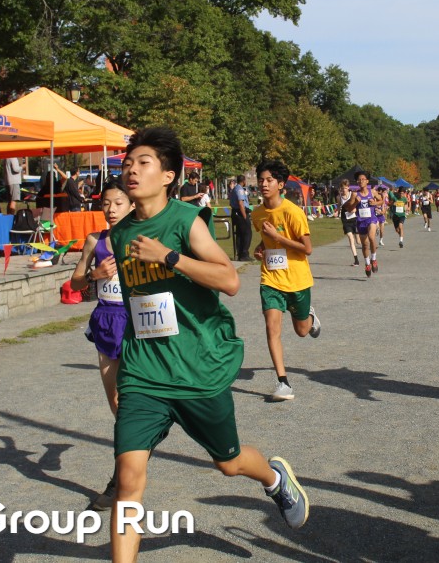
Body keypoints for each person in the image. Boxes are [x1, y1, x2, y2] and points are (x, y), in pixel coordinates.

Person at [109, 127, 309, 560]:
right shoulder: (120, 233)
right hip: (144, 373)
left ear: (168, 176)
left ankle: (274, 479)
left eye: (143, 163)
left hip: (198, 368)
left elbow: (230, 280)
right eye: (127, 163)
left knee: (229, 463)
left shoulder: (186, 221)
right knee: (127, 481)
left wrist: (168, 257)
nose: (131, 170)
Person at [68, 177, 135, 511]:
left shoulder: (144, 240)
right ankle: (130, 462)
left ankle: (120, 479)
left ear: (132, 204)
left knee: (133, 405)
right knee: (117, 404)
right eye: (106, 203)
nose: (111, 209)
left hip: (138, 323)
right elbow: (74, 283)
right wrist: (95, 276)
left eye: (118, 203)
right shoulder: (95, 241)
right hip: (107, 321)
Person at [251, 159, 322, 402]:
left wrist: (278, 237)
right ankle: (283, 382)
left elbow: (307, 248)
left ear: (281, 184)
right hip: (271, 278)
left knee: (302, 331)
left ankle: (309, 315)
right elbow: (266, 240)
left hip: (297, 279)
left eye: (269, 180)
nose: (264, 184)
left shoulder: (293, 212)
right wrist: (261, 247)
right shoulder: (257, 213)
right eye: (261, 180)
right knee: (272, 328)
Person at [348, 171, 382, 276]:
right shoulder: (354, 194)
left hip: (371, 219)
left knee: (371, 237)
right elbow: (349, 209)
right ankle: (367, 263)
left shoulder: (373, 192)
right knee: (365, 244)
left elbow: (381, 200)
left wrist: (375, 203)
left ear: (367, 181)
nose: (361, 181)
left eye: (363, 179)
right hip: (361, 221)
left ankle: (374, 259)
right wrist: (356, 202)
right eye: (359, 179)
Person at [337, 179, 361, 265]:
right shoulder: (339, 197)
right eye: (342, 188)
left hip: (354, 218)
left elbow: (358, 204)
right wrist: (337, 212)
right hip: (345, 219)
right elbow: (339, 206)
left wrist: (355, 209)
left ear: (348, 188)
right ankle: (356, 260)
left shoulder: (352, 195)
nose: (344, 190)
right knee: (351, 238)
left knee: (358, 241)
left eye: (345, 188)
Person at [230, 174, 252, 261]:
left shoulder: (235, 188)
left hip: (236, 212)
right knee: (247, 233)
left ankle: (240, 254)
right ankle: (244, 254)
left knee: (240, 234)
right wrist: (245, 216)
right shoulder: (240, 189)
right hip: (240, 212)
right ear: (243, 181)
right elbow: (240, 203)